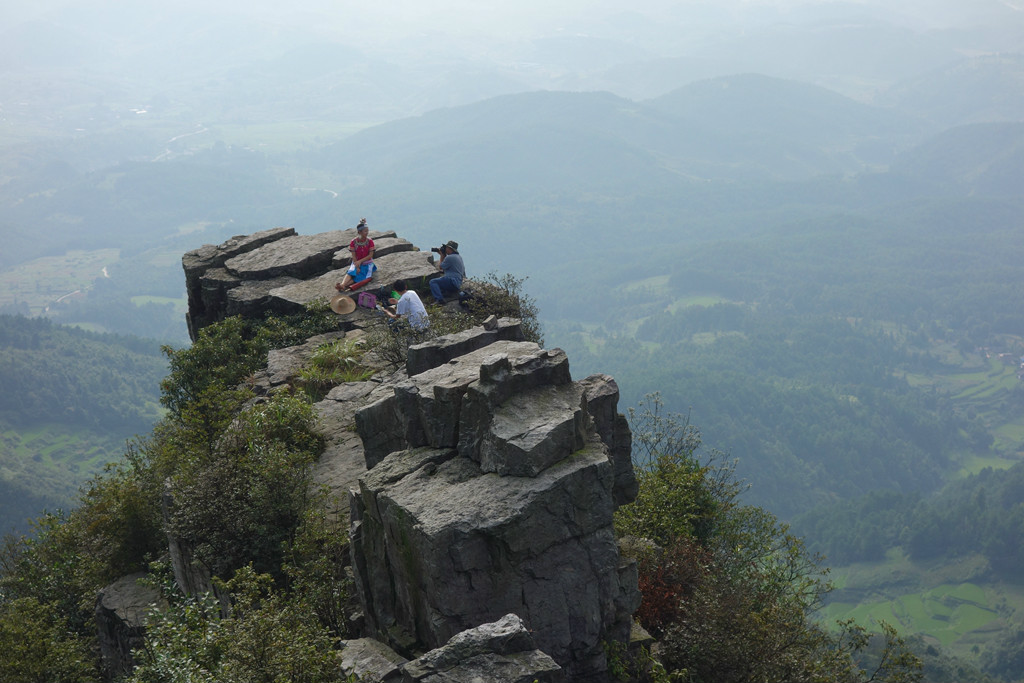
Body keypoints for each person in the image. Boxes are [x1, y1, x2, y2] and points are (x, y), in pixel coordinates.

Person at [336, 218, 376, 291]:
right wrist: (357, 265)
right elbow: (353, 255)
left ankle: (343, 286)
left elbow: (370, 255)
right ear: (359, 232)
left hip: (367, 263)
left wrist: (360, 262)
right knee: (351, 272)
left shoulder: (370, 241)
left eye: (367, 231)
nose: (367, 233)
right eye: (365, 231)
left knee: (360, 276)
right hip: (356, 262)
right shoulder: (353, 242)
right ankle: (343, 285)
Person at [429, 240, 465, 305]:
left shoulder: (450, 257)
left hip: (452, 281)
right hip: (458, 283)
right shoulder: (458, 257)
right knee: (441, 286)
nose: (445, 249)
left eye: (446, 248)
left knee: (433, 282)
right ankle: (448, 295)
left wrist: (442, 255)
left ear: (449, 248)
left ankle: (439, 300)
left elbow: (441, 266)